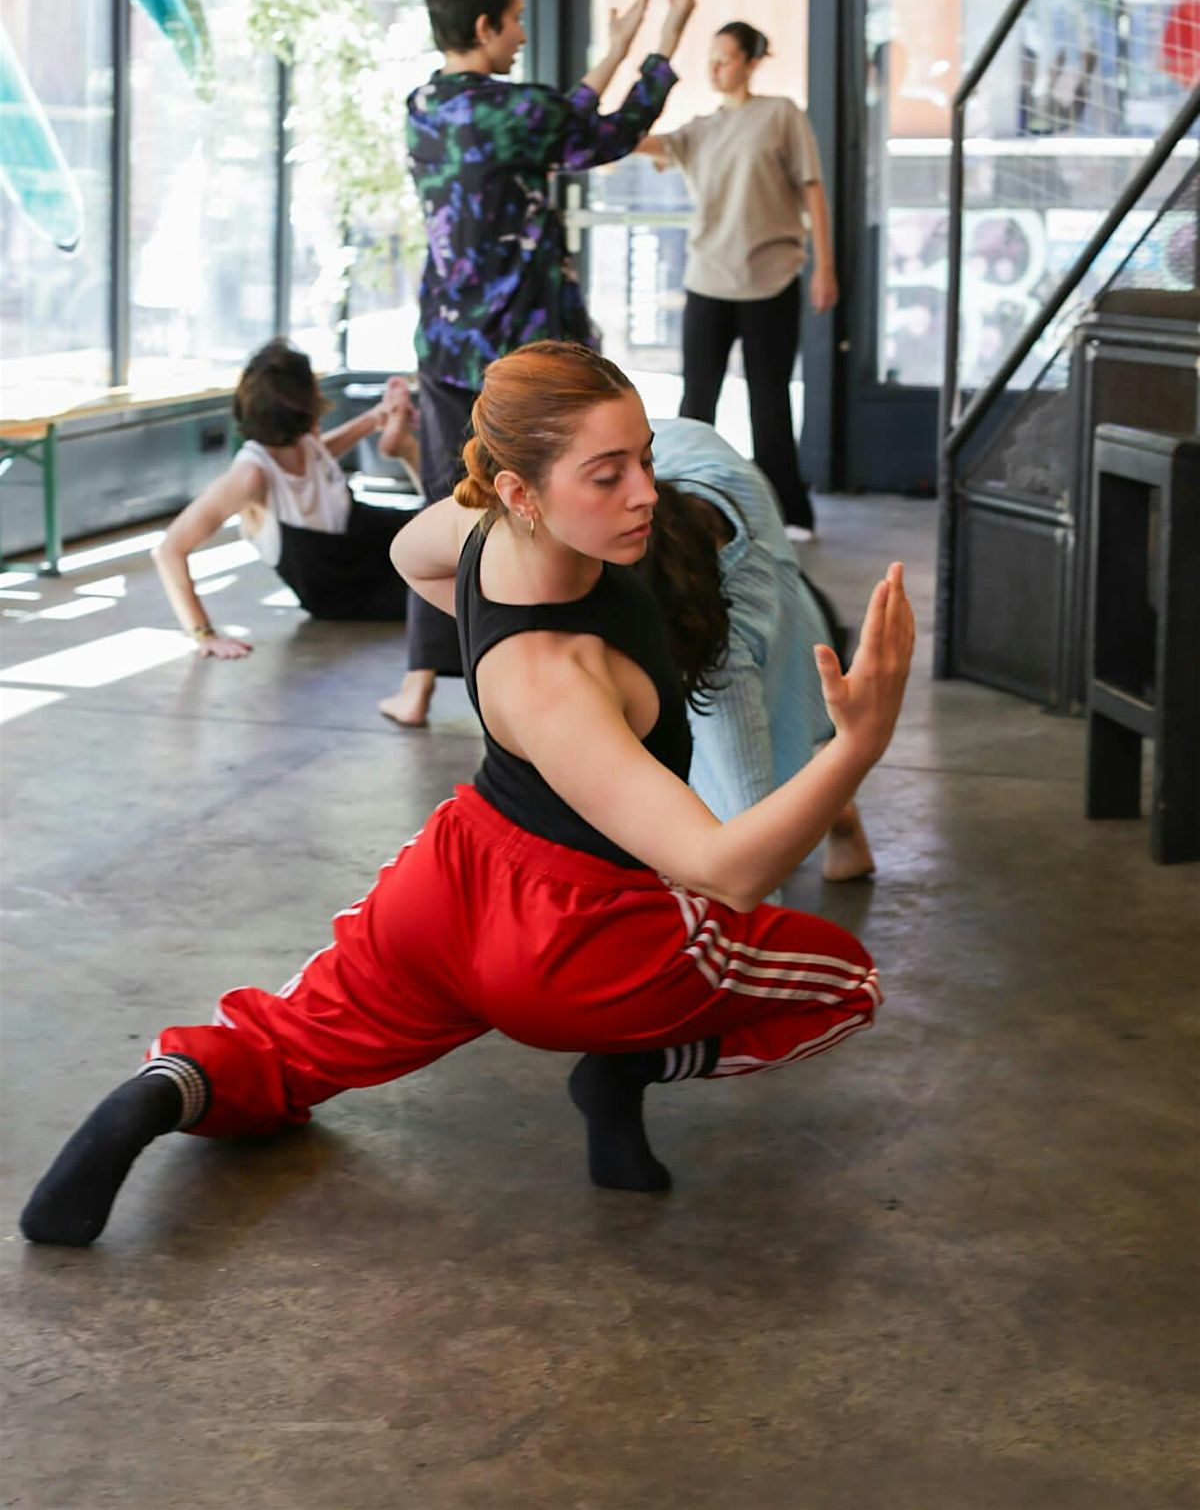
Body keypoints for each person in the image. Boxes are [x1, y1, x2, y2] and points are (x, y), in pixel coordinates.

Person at [20, 342, 913, 1248]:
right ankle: (625, 1068)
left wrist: (492, 638)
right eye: (607, 476)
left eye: (643, 458)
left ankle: (158, 1092)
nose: (645, 490)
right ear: (525, 492)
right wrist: (858, 745)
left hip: (448, 878)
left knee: (284, 1045)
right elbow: (727, 871)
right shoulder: (558, 678)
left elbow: (412, 556)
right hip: (580, 941)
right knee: (848, 982)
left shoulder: (479, 531)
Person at [391, 0, 696, 729]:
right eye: (517, 19)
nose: (523, 33)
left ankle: (423, 683)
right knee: (555, 506)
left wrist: (617, 45)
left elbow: (552, 123)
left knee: (448, 506)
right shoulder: (516, 112)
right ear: (487, 25)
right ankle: (562, 665)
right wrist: (664, 38)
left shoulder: (424, 104)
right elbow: (604, 132)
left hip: (444, 344)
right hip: (520, 358)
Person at [641, 417, 873, 893]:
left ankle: (842, 819)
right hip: (792, 606)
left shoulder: (726, 661)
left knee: (754, 767)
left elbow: (750, 851)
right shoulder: (669, 469)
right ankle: (843, 820)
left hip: (775, 624)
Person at [638, 20, 837, 538]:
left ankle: (789, 513)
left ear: (751, 61)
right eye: (711, 57)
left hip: (771, 276)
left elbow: (813, 191)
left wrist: (826, 267)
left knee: (769, 399)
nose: (716, 67)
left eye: (725, 57)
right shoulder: (700, 129)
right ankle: (676, 507)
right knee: (696, 400)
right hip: (708, 278)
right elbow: (639, 142)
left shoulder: (781, 115)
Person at [153, 340, 422, 722]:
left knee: (449, 528)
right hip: (338, 582)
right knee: (442, 590)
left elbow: (319, 455)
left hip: (359, 534)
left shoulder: (302, 441)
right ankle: (405, 450)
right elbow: (169, 549)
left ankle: (403, 448)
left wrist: (374, 418)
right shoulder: (250, 475)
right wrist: (203, 633)